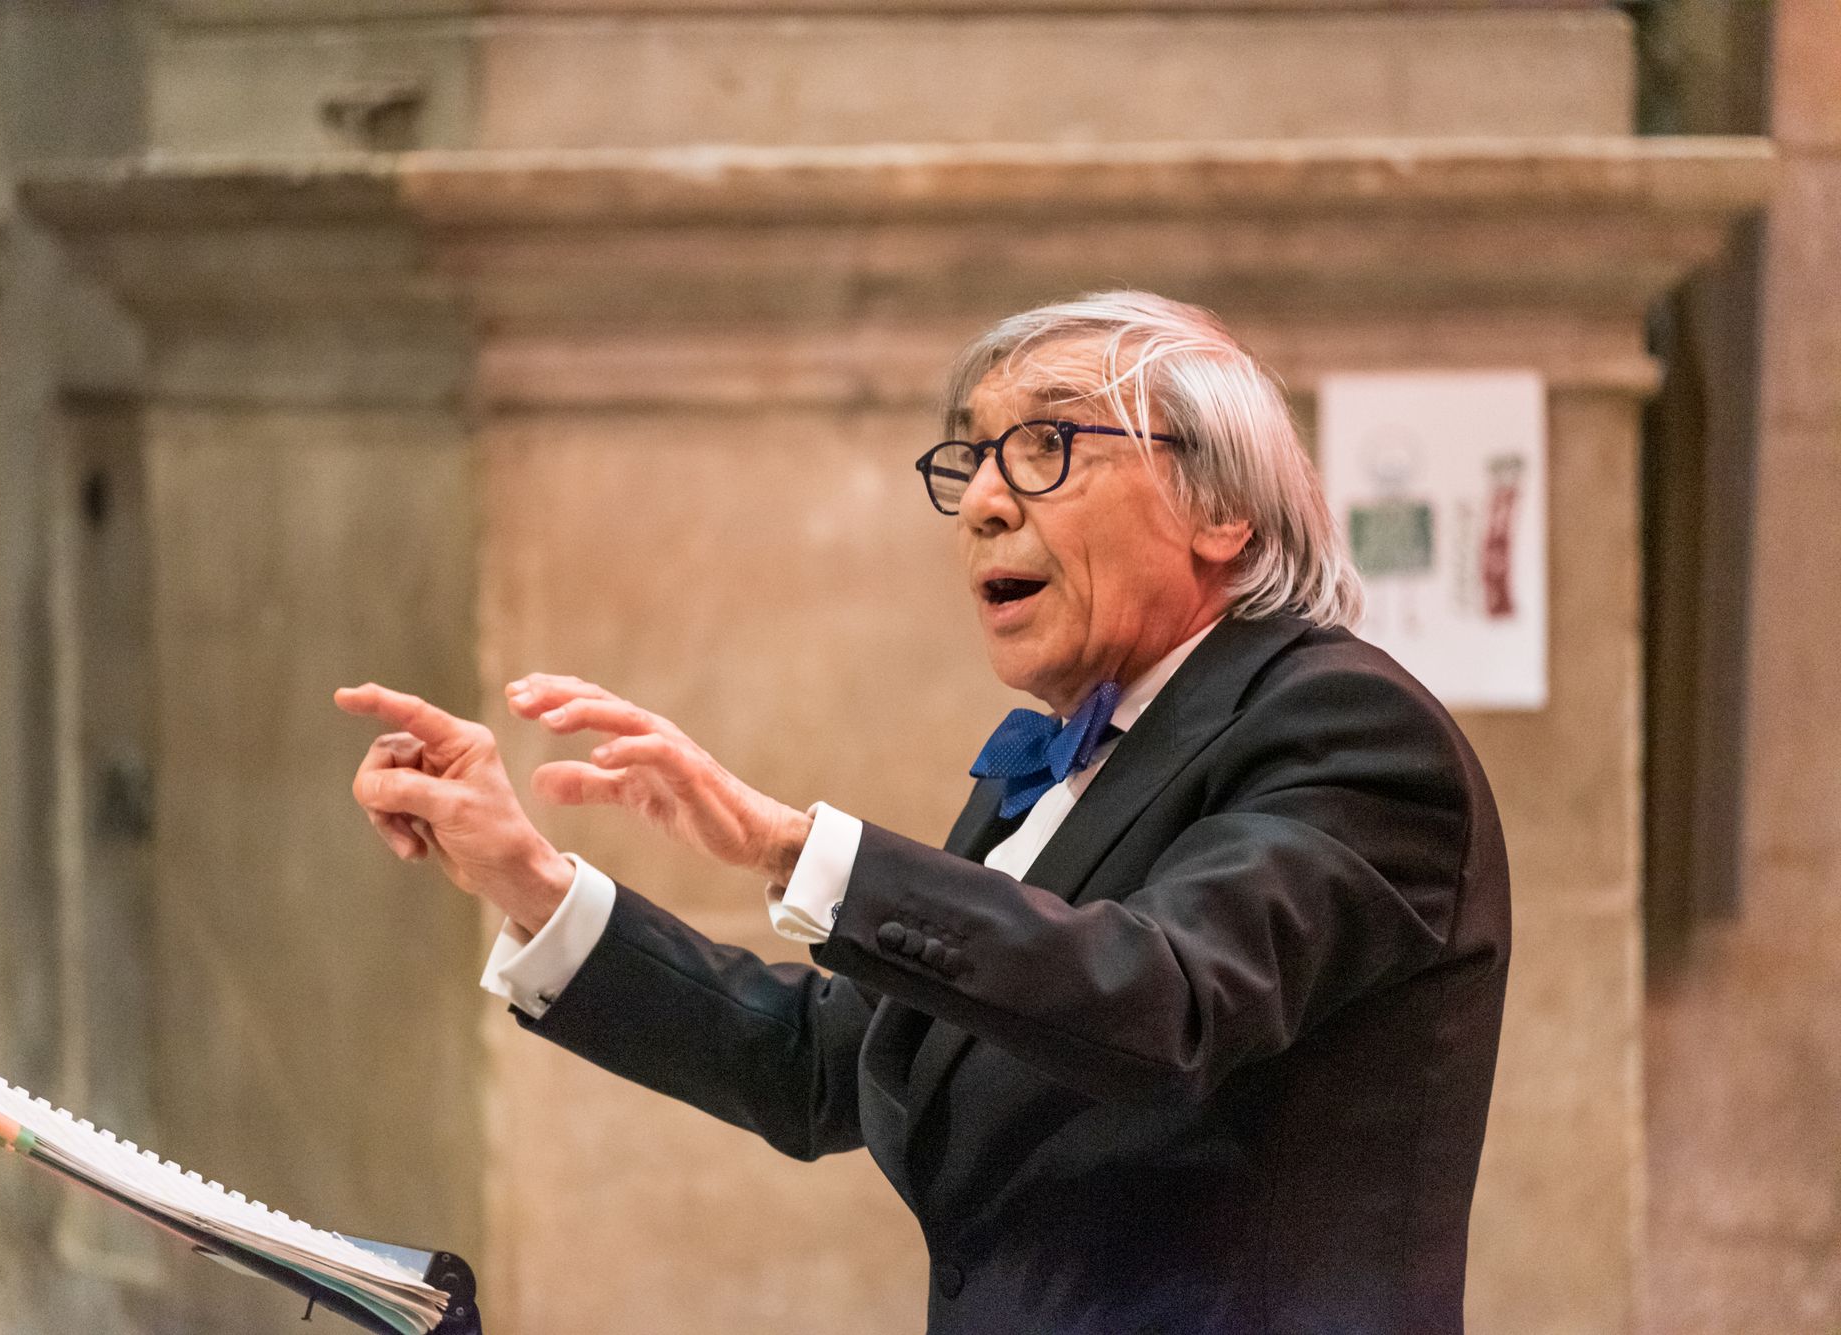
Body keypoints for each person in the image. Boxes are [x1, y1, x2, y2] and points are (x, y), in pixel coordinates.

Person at [335, 292, 1510, 1335]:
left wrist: (786, 844)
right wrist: (526, 878)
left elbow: (1165, 1004)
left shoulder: (1346, 728)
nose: (984, 503)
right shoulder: (1063, 764)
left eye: (1045, 447)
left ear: (1221, 510)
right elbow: (818, 1065)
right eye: (975, 459)